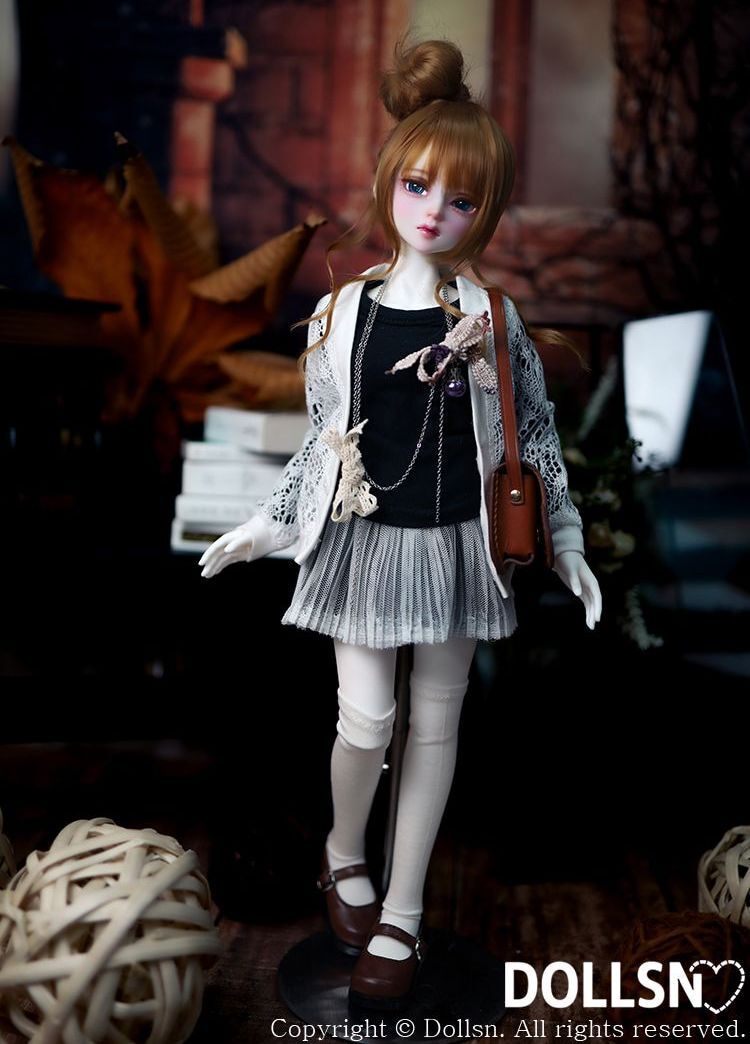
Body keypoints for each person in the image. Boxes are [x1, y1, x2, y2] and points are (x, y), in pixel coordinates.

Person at [199, 38, 602, 1009]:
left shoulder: (494, 321)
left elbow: (535, 441)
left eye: (461, 200)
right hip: (366, 538)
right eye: (419, 186)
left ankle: (405, 910)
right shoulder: (342, 315)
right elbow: (321, 441)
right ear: (389, 182)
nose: (434, 211)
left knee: (436, 725)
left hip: (458, 544)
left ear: (483, 213)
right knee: (367, 719)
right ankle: (345, 852)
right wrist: (263, 526)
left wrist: (569, 543)